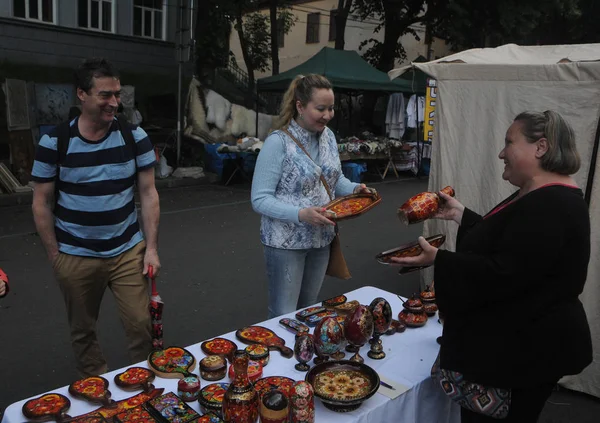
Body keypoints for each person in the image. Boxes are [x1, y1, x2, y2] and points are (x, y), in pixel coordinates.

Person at [392, 110, 592, 422]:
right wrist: (462, 215)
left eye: (509, 142)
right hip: (518, 345)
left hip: (520, 354)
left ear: (540, 147)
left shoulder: (552, 204)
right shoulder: (542, 193)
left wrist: (438, 259)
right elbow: (513, 245)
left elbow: (504, 275)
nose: (501, 153)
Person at [31, 58, 161, 377]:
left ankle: (143, 386)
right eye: (105, 95)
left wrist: (152, 248)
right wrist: (55, 255)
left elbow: (148, 194)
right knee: (83, 331)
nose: (114, 102)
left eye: (117, 94)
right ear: (81, 95)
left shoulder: (134, 137)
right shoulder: (55, 142)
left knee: (142, 324)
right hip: (75, 254)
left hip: (127, 250)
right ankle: (96, 390)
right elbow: (41, 202)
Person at [251, 74, 373, 318]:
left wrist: (354, 189)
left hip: (321, 239)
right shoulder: (278, 143)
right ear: (299, 105)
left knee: (308, 310)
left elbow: (334, 179)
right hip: (286, 244)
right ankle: (283, 354)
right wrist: (300, 214)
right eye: (320, 109)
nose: (327, 115)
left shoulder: (328, 136)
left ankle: (303, 354)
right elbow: (259, 199)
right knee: (283, 315)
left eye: (331, 108)